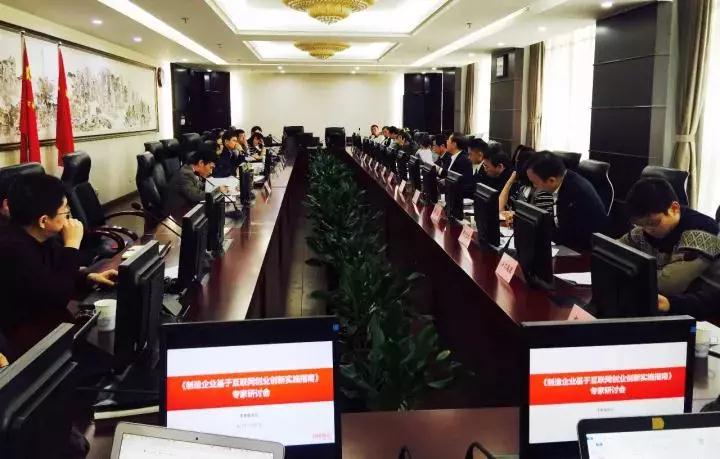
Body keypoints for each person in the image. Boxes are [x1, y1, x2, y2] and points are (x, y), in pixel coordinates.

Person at [0, 174, 117, 353]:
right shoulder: (12, 249)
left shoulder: (41, 236)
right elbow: (58, 296)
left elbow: (55, 273)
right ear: (43, 221)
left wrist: (87, 278)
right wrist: (72, 245)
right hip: (30, 342)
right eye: (65, 210)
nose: (69, 213)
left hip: (52, 323)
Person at [619, 178, 720, 301]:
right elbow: (613, 251)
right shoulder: (646, 228)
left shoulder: (703, 231)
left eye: (652, 223)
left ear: (674, 208)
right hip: (674, 302)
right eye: (641, 225)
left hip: (704, 305)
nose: (648, 230)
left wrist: (628, 272)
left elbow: (668, 285)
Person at [525, 151, 607, 250]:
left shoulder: (575, 193)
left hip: (583, 251)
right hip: (567, 243)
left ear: (551, 180)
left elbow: (567, 235)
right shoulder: (564, 180)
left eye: (535, 182)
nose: (534, 186)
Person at [165, 147, 228, 215]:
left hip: (188, 209)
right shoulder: (185, 175)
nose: (211, 172)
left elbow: (201, 186)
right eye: (211, 167)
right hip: (179, 215)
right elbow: (196, 196)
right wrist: (217, 191)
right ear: (201, 163)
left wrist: (216, 187)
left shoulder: (190, 171)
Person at [499, 147, 554, 218]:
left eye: (517, 163)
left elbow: (540, 221)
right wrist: (509, 181)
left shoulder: (543, 193)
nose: (515, 167)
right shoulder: (523, 189)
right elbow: (502, 208)